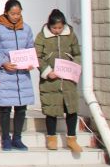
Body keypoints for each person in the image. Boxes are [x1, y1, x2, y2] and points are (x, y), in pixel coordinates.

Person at [0, 0, 36, 151]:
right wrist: (3, 62)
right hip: (5, 75)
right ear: (6, 13)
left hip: (22, 76)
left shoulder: (26, 29)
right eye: (13, 14)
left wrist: (30, 62)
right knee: (5, 108)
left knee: (21, 108)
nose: (15, 16)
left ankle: (17, 138)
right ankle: (5, 139)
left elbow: (31, 48)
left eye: (18, 14)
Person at [35, 9, 83, 154]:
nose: (57, 30)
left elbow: (77, 53)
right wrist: (47, 71)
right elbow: (37, 56)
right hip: (51, 81)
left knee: (71, 109)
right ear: (49, 26)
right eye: (54, 28)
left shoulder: (70, 35)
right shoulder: (42, 36)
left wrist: (74, 67)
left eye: (60, 28)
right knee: (51, 109)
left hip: (68, 80)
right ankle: (51, 138)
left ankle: (72, 138)